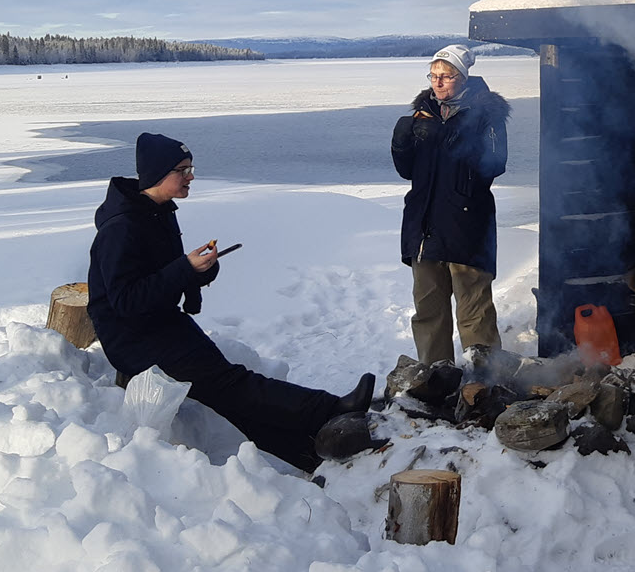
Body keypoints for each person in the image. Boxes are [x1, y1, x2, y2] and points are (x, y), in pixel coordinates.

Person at [88, 132, 374, 473]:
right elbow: (126, 301)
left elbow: (160, 277)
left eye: (191, 167)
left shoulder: (157, 211)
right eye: (183, 169)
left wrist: (199, 271)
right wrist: (184, 269)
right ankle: (332, 410)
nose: (191, 176)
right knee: (232, 384)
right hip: (133, 339)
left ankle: (308, 454)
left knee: (228, 393)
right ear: (157, 174)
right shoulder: (121, 229)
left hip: (160, 323)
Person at [392, 45, 511, 363]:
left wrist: (456, 137)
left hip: (467, 227)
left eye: (446, 75)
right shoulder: (423, 114)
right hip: (425, 228)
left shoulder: (486, 113)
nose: (438, 82)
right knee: (428, 314)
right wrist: (402, 142)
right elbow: (407, 172)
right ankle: (435, 380)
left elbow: (495, 164)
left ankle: (485, 384)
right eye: (433, 75)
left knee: (475, 313)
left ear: (463, 77)